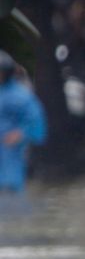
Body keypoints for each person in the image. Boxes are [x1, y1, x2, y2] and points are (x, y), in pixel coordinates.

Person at [0, 51, 46, 194]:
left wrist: (21, 134)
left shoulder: (21, 96)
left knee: (9, 194)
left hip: (11, 155)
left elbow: (37, 122)